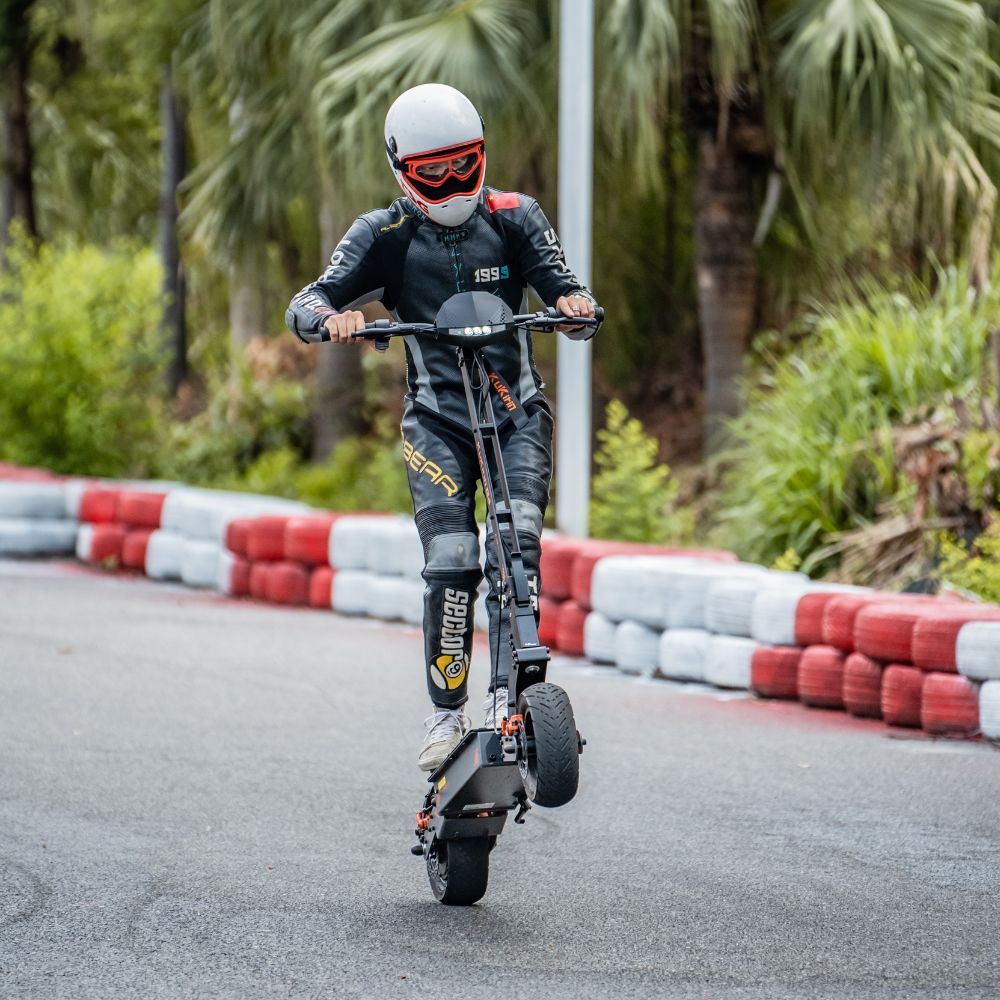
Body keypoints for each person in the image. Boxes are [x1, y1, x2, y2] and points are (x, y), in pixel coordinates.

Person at [286, 83, 599, 771]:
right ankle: (445, 716)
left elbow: (561, 286)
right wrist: (330, 320)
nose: (453, 181)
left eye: (464, 163)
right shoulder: (382, 236)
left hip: (516, 414)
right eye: (434, 171)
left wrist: (575, 305)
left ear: (482, 153)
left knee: (515, 544)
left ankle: (511, 699)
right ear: (402, 169)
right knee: (453, 559)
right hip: (436, 426)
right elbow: (306, 301)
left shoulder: (517, 217)